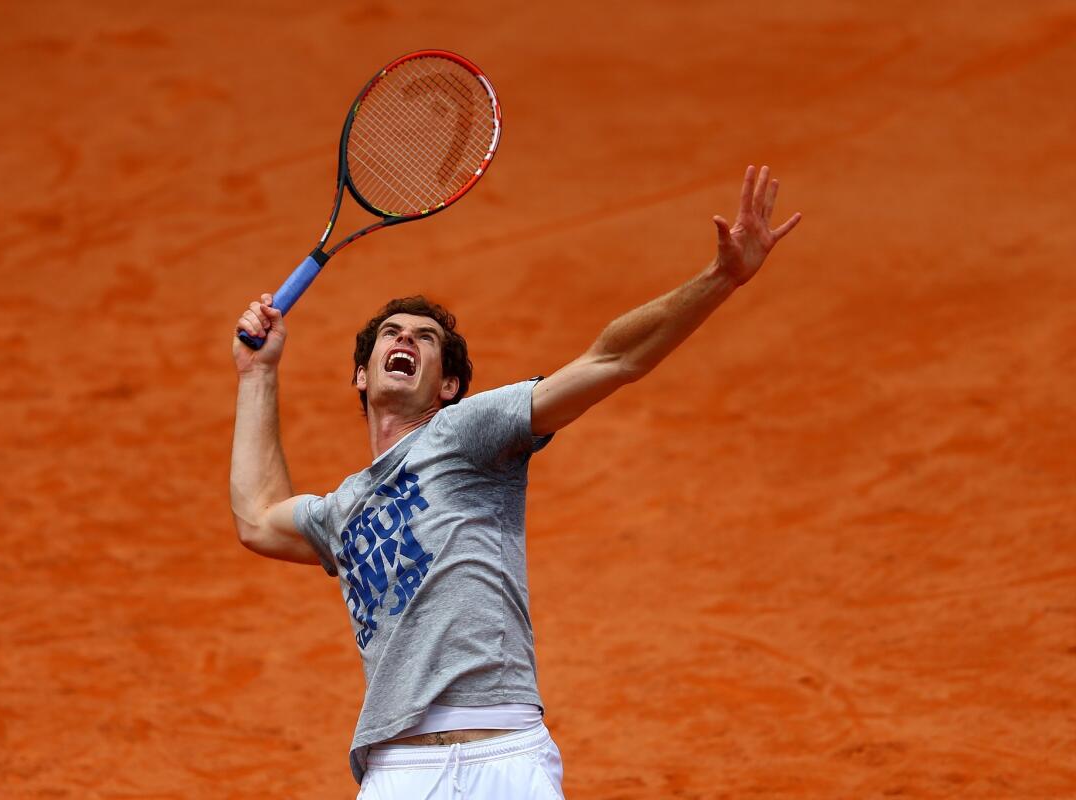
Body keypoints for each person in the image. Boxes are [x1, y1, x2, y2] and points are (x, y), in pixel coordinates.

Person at [230, 165, 801, 798]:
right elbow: (258, 518)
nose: (406, 339)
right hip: (396, 773)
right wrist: (258, 373)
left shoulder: (465, 434)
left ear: (448, 388)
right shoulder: (340, 512)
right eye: (391, 334)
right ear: (361, 376)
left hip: (503, 755)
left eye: (426, 339)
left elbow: (612, 360)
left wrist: (722, 277)